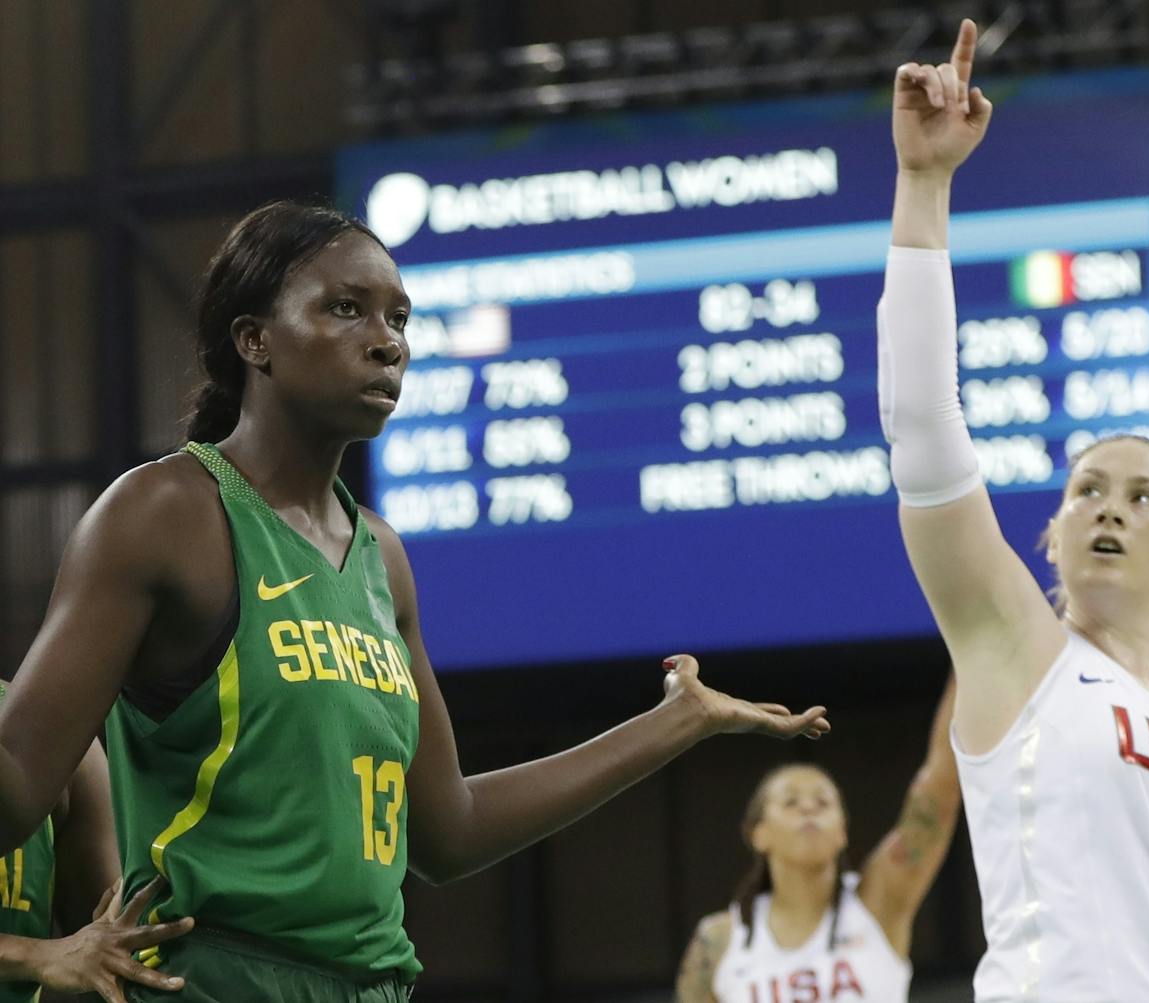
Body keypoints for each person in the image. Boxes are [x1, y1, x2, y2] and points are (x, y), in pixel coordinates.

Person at [0, 200, 829, 1000]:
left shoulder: (382, 559)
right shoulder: (165, 513)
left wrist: (676, 721)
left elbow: (449, 830)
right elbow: (18, 778)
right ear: (255, 341)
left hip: (376, 983)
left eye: (399, 320)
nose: (385, 343)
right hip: (216, 978)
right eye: (347, 310)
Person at [875, 19, 1149, 1001]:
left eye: (1141, 496)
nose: (1108, 508)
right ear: (1052, 536)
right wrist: (924, 185)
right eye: (1085, 491)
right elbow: (919, 424)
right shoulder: (1014, 646)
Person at [675, 674, 958, 1003]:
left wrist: (968, 659)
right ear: (758, 834)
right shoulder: (720, 940)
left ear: (842, 833)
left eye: (823, 802)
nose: (809, 808)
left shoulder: (877, 906)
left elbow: (939, 789)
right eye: (790, 801)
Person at [0, 679, 193, 1003]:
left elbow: (103, 951)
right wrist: (36, 956)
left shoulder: (44, 735)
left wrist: (115, 928)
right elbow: (58, 957)